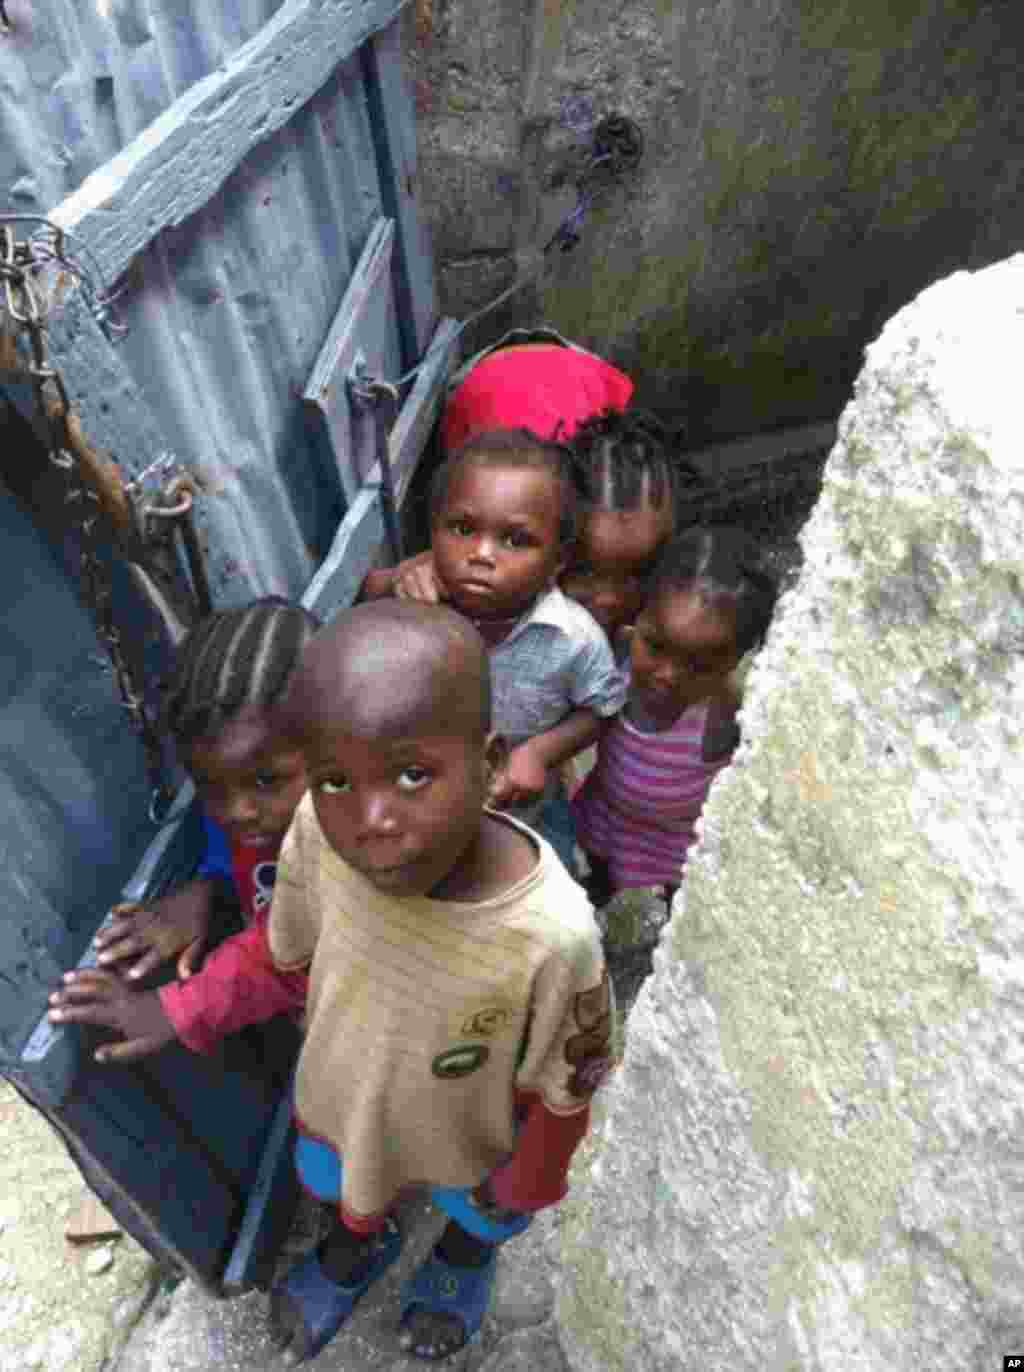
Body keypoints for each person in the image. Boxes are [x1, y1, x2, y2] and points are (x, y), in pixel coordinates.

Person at [49, 601, 613, 1364]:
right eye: (337, 779)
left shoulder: (554, 934)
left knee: (479, 1208)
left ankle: (462, 1256)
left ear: (489, 760)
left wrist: (532, 1175)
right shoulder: (317, 832)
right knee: (347, 1185)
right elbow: (280, 957)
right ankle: (357, 1247)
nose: (370, 819)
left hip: (475, 1128)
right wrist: (174, 1010)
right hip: (348, 1102)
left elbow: (566, 1085)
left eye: (412, 775)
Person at [364, 429, 627, 871]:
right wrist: (394, 582)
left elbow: (602, 708)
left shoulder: (572, 638)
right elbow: (364, 596)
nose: (481, 554)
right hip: (423, 798)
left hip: (522, 803)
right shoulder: (417, 599)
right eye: (462, 529)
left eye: (515, 540)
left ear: (557, 561)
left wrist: (540, 754)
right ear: (433, 532)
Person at [85, 597, 318, 1055]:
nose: (236, 812)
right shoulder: (268, 815)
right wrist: (212, 884)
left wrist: (176, 1009)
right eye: (209, 786)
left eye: (265, 780)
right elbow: (229, 834)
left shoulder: (365, 848)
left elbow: (289, 956)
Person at [572, 526, 779, 908]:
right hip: (606, 815)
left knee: (671, 906)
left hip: (671, 846)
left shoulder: (725, 712)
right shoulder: (615, 659)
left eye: (698, 665)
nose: (667, 674)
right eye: (655, 645)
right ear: (639, 615)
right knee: (596, 876)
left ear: (735, 661)